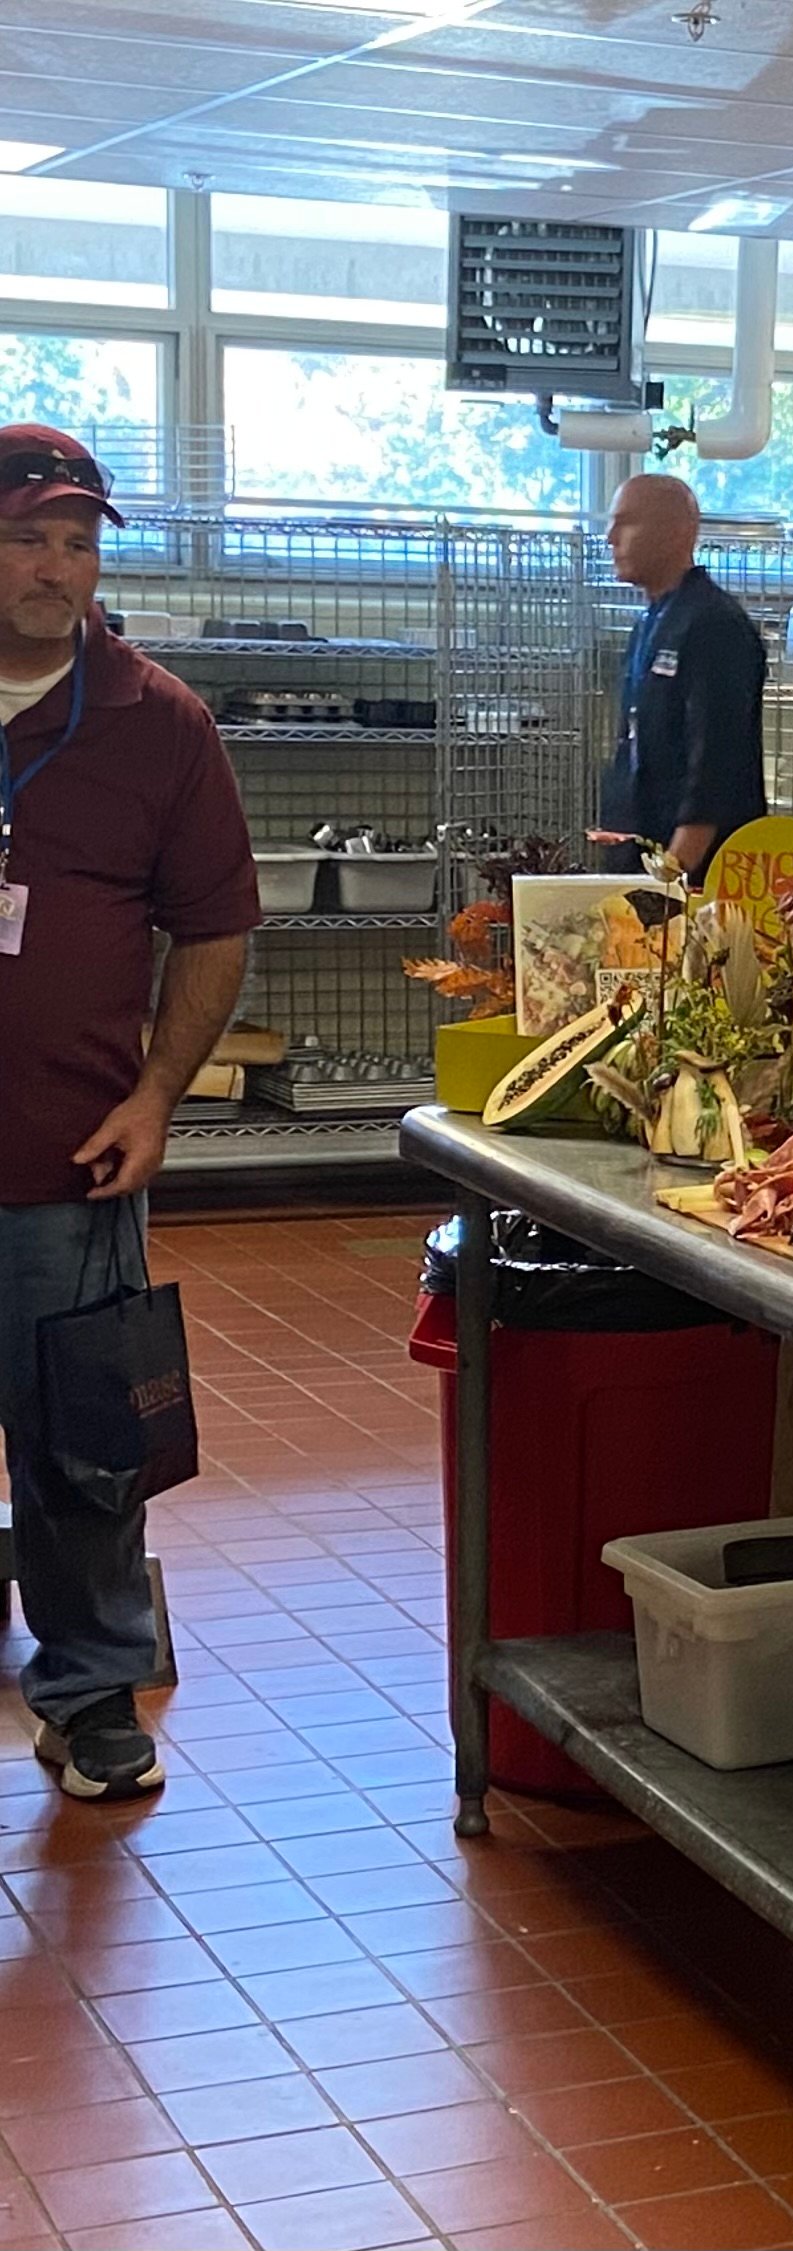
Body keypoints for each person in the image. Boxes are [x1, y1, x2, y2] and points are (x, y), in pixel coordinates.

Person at [0, 425, 259, 1802]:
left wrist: (159, 1093)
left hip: (71, 1157)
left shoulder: (160, 723)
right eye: (26, 539)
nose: (56, 568)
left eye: (77, 542)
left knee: (82, 1440)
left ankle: (92, 1690)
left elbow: (215, 926)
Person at [597, 473, 764, 883]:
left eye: (626, 523)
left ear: (677, 532)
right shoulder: (650, 622)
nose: (610, 538)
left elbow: (717, 762)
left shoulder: (714, 625)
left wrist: (673, 872)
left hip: (694, 875)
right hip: (638, 857)